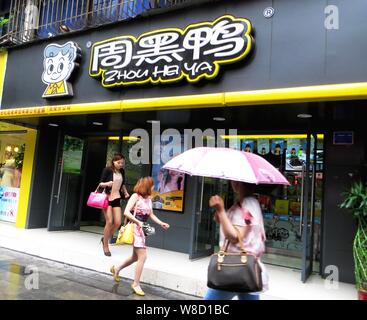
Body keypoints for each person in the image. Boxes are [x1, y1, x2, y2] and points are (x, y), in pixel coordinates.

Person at [205, 181, 268, 300]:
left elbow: (235, 237)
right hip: (246, 269)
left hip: (235, 266)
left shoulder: (247, 204)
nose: (231, 182)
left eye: (233, 181)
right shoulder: (249, 202)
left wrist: (221, 211)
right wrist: (222, 219)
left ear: (238, 183)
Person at [110, 176, 170, 296]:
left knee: (135, 257)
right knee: (142, 256)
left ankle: (116, 269)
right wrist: (138, 222)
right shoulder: (135, 196)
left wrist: (161, 223)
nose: (154, 187)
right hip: (135, 228)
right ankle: (136, 284)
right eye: (152, 185)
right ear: (147, 186)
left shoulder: (149, 198)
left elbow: (151, 215)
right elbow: (126, 212)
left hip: (142, 229)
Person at [99, 153, 130, 257]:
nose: (120, 164)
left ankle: (105, 238)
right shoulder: (107, 170)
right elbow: (100, 184)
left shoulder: (122, 171)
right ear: (113, 161)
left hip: (116, 198)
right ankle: (105, 245)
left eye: (122, 163)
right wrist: (107, 184)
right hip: (107, 198)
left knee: (117, 222)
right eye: (118, 162)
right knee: (110, 221)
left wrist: (125, 192)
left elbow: (123, 184)